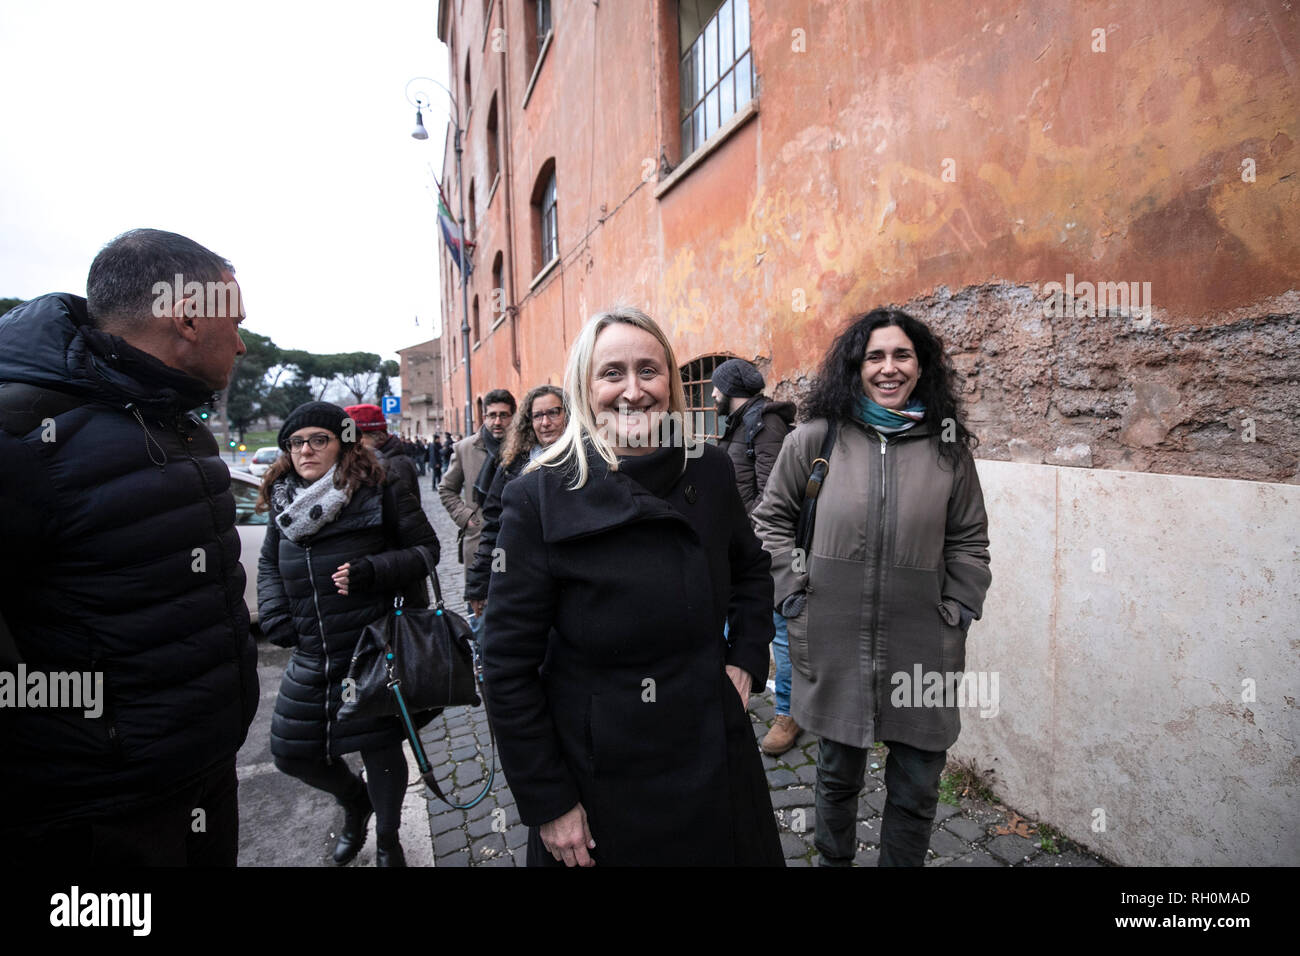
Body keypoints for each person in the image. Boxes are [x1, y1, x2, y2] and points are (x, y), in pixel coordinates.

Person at [482, 306, 783, 867]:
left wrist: (745, 656)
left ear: (670, 381)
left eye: (649, 371)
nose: (633, 390)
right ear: (583, 386)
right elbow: (504, 666)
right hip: (604, 777)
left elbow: (751, 570)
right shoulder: (537, 498)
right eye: (611, 373)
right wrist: (549, 800)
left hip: (713, 751)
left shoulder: (709, 470)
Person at [0, 228, 258, 865]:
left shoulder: (169, 417)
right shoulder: (22, 436)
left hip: (200, 773)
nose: (245, 341)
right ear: (191, 317)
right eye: (238, 320)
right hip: (100, 816)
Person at [752, 308, 992, 867]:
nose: (889, 368)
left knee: (917, 785)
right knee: (837, 777)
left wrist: (957, 606)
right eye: (875, 357)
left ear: (920, 365)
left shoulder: (949, 447)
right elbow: (770, 521)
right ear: (855, 366)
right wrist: (792, 591)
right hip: (834, 638)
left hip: (923, 643)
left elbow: (969, 539)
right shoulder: (816, 438)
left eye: (902, 355)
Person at [256, 401, 440, 867]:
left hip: (373, 651)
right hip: (312, 654)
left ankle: (387, 838)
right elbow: (268, 564)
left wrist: (371, 571)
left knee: (379, 750)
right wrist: (277, 614)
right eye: (296, 442)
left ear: (344, 443)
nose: (306, 450)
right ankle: (355, 803)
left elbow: (426, 550)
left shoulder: (380, 486)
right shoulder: (282, 498)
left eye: (319, 439)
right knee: (293, 754)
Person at [711, 358, 799, 755]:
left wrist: (748, 531)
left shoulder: (766, 424)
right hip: (737, 544)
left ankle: (789, 713)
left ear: (732, 390)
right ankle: (732, 694)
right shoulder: (740, 423)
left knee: (779, 628)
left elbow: (774, 492)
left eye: (717, 387)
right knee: (733, 620)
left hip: (764, 545)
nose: (712, 395)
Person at [465, 385, 568, 618]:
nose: (545, 422)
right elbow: (494, 527)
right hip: (525, 577)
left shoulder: (587, 460)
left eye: (554, 412)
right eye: (538, 415)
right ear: (528, 421)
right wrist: (481, 582)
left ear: (568, 415)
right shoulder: (512, 466)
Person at [437, 389, 515, 615]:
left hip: (514, 537)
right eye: (491, 415)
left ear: (513, 416)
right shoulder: (465, 448)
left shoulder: (522, 446)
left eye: (503, 415)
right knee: (480, 611)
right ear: (484, 417)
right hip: (479, 540)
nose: (497, 421)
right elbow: (447, 489)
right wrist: (466, 517)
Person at [344, 403, 421, 502]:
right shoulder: (367, 460)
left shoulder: (396, 465)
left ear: (376, 436)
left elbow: (403, 511)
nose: (350, 444)